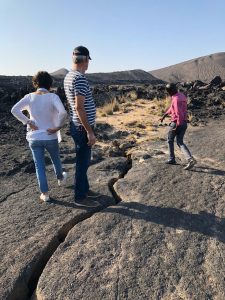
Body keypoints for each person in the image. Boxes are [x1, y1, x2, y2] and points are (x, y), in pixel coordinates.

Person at [11, 71, 67, 202]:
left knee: (39, 166)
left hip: (34, 137)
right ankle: (60, 178)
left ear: (35, 83)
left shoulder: (29, 97)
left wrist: (28, 122)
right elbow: (63, 112)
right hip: (50, 135)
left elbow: (14, 110)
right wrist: (58, 127)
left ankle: (45, 194)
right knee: (55, 159)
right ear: (49, 84)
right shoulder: (53, 97)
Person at [64, 46, 99, 207]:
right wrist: (90, 132)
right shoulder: (79, 78)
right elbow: (79, 107)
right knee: (82, 163)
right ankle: (80, 197)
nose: (88, 65)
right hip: (82, 128)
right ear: (85, 60)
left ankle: (84, 189)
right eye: (88, 61)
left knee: (83, 161)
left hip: (76, 126)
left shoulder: (69, 76)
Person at [160, 83, 196, 170]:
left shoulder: (175, 99)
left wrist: (177, 125)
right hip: (184, 123)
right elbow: (173, 108)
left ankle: (172, 159)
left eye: (168, 92)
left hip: (177, 123)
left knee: (170, 140)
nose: (168, 93)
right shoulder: (181, 95)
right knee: (180, 142)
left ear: (171, 91)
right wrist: (165, 114)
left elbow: (178, 113)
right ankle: (190, 159)